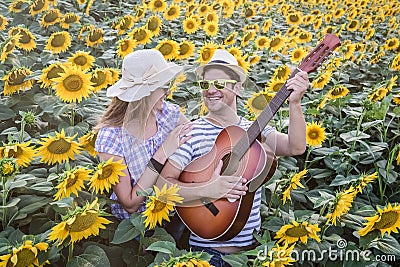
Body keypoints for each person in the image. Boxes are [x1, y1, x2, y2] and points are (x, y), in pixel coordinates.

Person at [159, 49, 309, 266]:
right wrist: (209, 189)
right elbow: (163, 188)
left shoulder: (256, 131)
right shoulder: (192, 132)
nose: (211, 91)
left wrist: (295, 103)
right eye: (205, 84)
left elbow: (296, 147)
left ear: (237, 87)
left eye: (219, 83)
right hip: (205, 254)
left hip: (252, 253)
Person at [94, 49, 192, 220]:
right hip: (136, 227)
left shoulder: (169, 114)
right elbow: (131, 204)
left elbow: (197, 140)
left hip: (177, 213)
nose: (167, 92)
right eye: (162, 86)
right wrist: (163, 153)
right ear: (145, 94)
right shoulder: (111, 137)